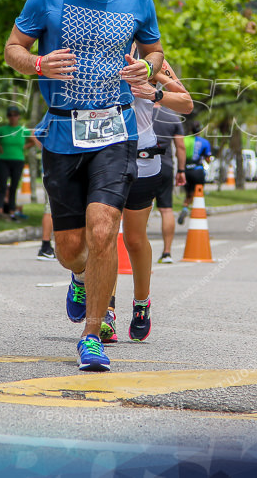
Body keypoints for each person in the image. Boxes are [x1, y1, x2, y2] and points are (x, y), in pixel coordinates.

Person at [4, 0, 163, 372]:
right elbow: (14, 46)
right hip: (61, 130)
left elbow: (154, 50)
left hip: (115, 130)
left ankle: (92, 334)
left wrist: (147, 69)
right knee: (70, 248)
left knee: (103, 230)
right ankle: (78, 275)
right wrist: (36, 64)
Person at [98, 58, 192, 343]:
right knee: (105, 236)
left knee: (135, 240)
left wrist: (156, 92)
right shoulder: (96, 55)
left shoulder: (152, 62)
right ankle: (105, 312)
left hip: (144, 160)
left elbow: (186, 103)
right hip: (105, 157)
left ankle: (141, 304)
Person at [152, 104, 186, 263]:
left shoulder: (136, 111)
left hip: (141, 165)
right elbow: (181, 147)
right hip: (164, 166)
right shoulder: (172, 117)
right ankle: (167, 253)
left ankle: (133, 252)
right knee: (166, 210)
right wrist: (181, 171)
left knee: (135, 209)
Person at [0, 105, 35, 219]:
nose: (13, 117)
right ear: (8, 117)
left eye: (15, 115)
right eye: (10, 115)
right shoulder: (2, 129)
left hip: (18, 160)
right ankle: (0, 210)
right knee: (2, 185)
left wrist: (24, 147)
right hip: (4, 160)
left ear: (18, 116)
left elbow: (33, 140)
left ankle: (12, 210)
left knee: (14, 186)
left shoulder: (23, 130)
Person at [178, 121, 212, 224]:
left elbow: (178, 153)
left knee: (188, 193)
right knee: (198, 192)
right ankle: (198, 210)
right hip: (197, 170)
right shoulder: (204, 142)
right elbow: (208, 159)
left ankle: (185, 208)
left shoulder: (184, 140)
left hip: (186, 171)